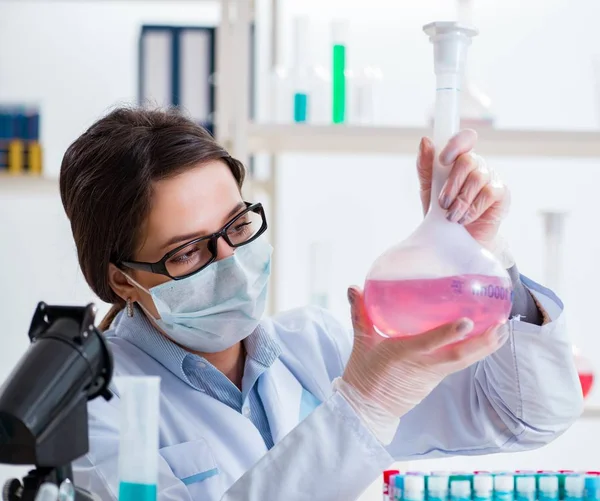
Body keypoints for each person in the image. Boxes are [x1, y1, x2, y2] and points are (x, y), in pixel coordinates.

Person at [59, 107, 582, 501]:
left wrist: (487, 257)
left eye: (238, 225)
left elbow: (524, 417)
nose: (232, 260)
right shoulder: (89, 403)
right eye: (188, 250)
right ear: (123, 281)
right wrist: (362, 407)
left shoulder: (314, 345)